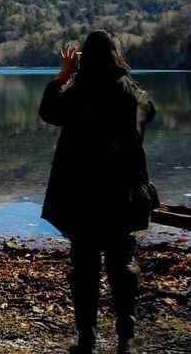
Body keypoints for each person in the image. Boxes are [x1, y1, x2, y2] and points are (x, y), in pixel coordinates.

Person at [38, 30, 157, 354]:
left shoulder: (78, 90)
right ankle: (126, 326)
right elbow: (149, 111)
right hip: (123, 193)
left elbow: (49, 112)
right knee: (122, 260)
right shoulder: (132, 91)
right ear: (116, 55)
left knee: (85, 266)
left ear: (83, 59)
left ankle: (87, 336)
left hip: (83, 195)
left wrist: (63, 75)